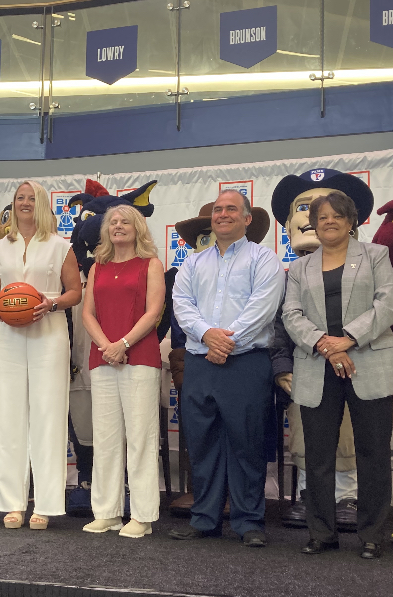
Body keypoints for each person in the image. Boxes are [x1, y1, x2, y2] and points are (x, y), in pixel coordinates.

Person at [281, 191, 393, 559]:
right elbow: (291, 314)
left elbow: (388, 304)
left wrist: (348, 339)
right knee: (317, 455)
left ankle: (371, 534)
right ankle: (322, 533)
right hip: (316, 366)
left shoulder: (376, 256)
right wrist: (324, 344)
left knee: (372, 454)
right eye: (322, 217)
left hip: (368, 362)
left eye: (338, 215)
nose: (329, 221)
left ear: (352, 221)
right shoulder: (298, 268)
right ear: (314, 225)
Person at [170, 190, 284, 548]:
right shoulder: (192, 264)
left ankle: (248, 521)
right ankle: (204, 519)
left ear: (247, 219)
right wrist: (208, 335)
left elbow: (262, 308)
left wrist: (225, 342)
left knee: (246, 442)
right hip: (200, 361)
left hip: (247, 362)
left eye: (231, 209)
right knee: (202, 443)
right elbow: (182, 305)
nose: (222, 215)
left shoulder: (265, 259)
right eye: (218, 210)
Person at [270, 168, 376, 532]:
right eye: (310, 210)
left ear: (351, 221)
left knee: (350, 431)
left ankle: (348, 495)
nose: (321, 220)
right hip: (308, 363)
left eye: (333, 213)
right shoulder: (291, 273)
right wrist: (282, 365)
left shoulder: (370, 264)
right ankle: (308, 494)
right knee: (305, 429)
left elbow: (383, 313)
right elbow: (282, 323)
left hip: (357, 361)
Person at [0, 180, 82, 530]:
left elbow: (75, 293)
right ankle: (10, 502)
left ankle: (46, 503)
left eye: (32, 198)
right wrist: (0, 308)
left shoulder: (60, 246)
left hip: (49, 334)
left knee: (48, 416)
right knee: (7, 416)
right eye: (20, 198)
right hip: (8, 337)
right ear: (13, 205)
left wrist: (50, 302)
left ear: (43, 205)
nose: (25, 202)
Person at [79, 205, 166, 539]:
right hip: (103, 359)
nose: (117, 226)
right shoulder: (97, 267)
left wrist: (124, 344)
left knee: (141, 438)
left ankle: (142, 516)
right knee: (106, 439)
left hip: (139, 358)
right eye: (112, 222)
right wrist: (107, 346)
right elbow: (88, 314)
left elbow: (154, 311)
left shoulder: (151, 264)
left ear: (138, 228)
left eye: (124, 221)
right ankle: (107, 512)